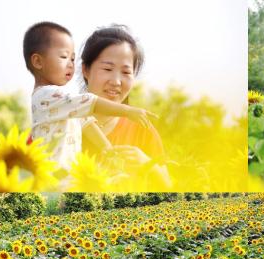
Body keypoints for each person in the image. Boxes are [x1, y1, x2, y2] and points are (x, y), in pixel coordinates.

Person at [23, 22, 152, 172]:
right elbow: (90, 102)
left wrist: (109, 150)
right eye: (63, 57)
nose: (70, 65)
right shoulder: (46, 95)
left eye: (72, 59)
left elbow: (86, 122)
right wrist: (127, 111)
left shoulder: (66, 106)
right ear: (85, 70)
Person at [80, 26, 171, 187]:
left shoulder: (142, 130)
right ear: (85, 70)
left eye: (126, 72)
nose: (116, 81)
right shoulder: (60, 124)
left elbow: (170, 188)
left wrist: (149, 165)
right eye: (107, 69)